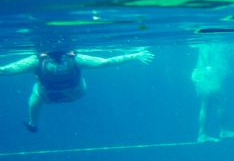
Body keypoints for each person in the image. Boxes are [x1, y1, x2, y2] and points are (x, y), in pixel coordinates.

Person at [0, 46, 154, 132]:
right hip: (75, 94)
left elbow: (7, 70)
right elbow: (105, 62)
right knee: (75, 77)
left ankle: (33, 122)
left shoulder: (35, 60)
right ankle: (33, 120)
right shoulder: (75, 58)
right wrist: (135, 55)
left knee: (36, 92)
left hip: (48, 96)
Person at [191, 42, 234, 142]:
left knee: (204, 105)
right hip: (208, 76)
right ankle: (224, 131)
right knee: (222, 101)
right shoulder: (209, 42)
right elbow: (206, 55)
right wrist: (209, 68)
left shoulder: (203, 43)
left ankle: (202, 135)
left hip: (199, 75)